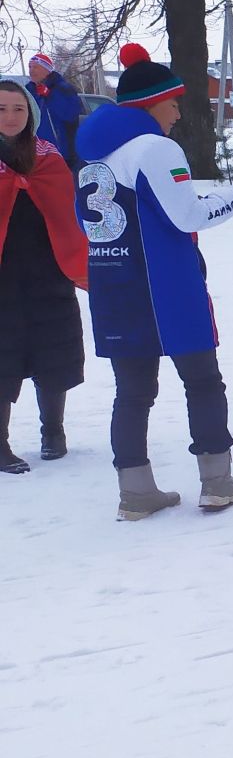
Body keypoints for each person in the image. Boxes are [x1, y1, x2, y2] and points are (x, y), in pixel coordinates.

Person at [75, 44, 233, 520]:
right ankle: (217, 481)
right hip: (167, 288)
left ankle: (135, 492)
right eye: (174, 101)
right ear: (151, 103)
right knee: (202, 379)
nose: (178, 111)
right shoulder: (156, 147)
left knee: (132, 392)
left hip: (114, 286)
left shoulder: (94, 156)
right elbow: (186, 215)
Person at [0, 80, 88, 472]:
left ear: (31, 113)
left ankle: (53, 431)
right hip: (3, 276)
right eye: (1, 109)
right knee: (3, 357)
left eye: (18, 108)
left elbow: (66, 212)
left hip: (47, 270)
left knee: (53, 350)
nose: (10, 117)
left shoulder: (48, 157)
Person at [28, 52, 85, 167]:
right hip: (35, 154)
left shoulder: (63, 88)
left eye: (35, 67)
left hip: (61, 154)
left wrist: (49, 95)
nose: (31, 70)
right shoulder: (28, 91)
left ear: (47, 69)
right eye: (30, 67)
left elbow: (70, 114)